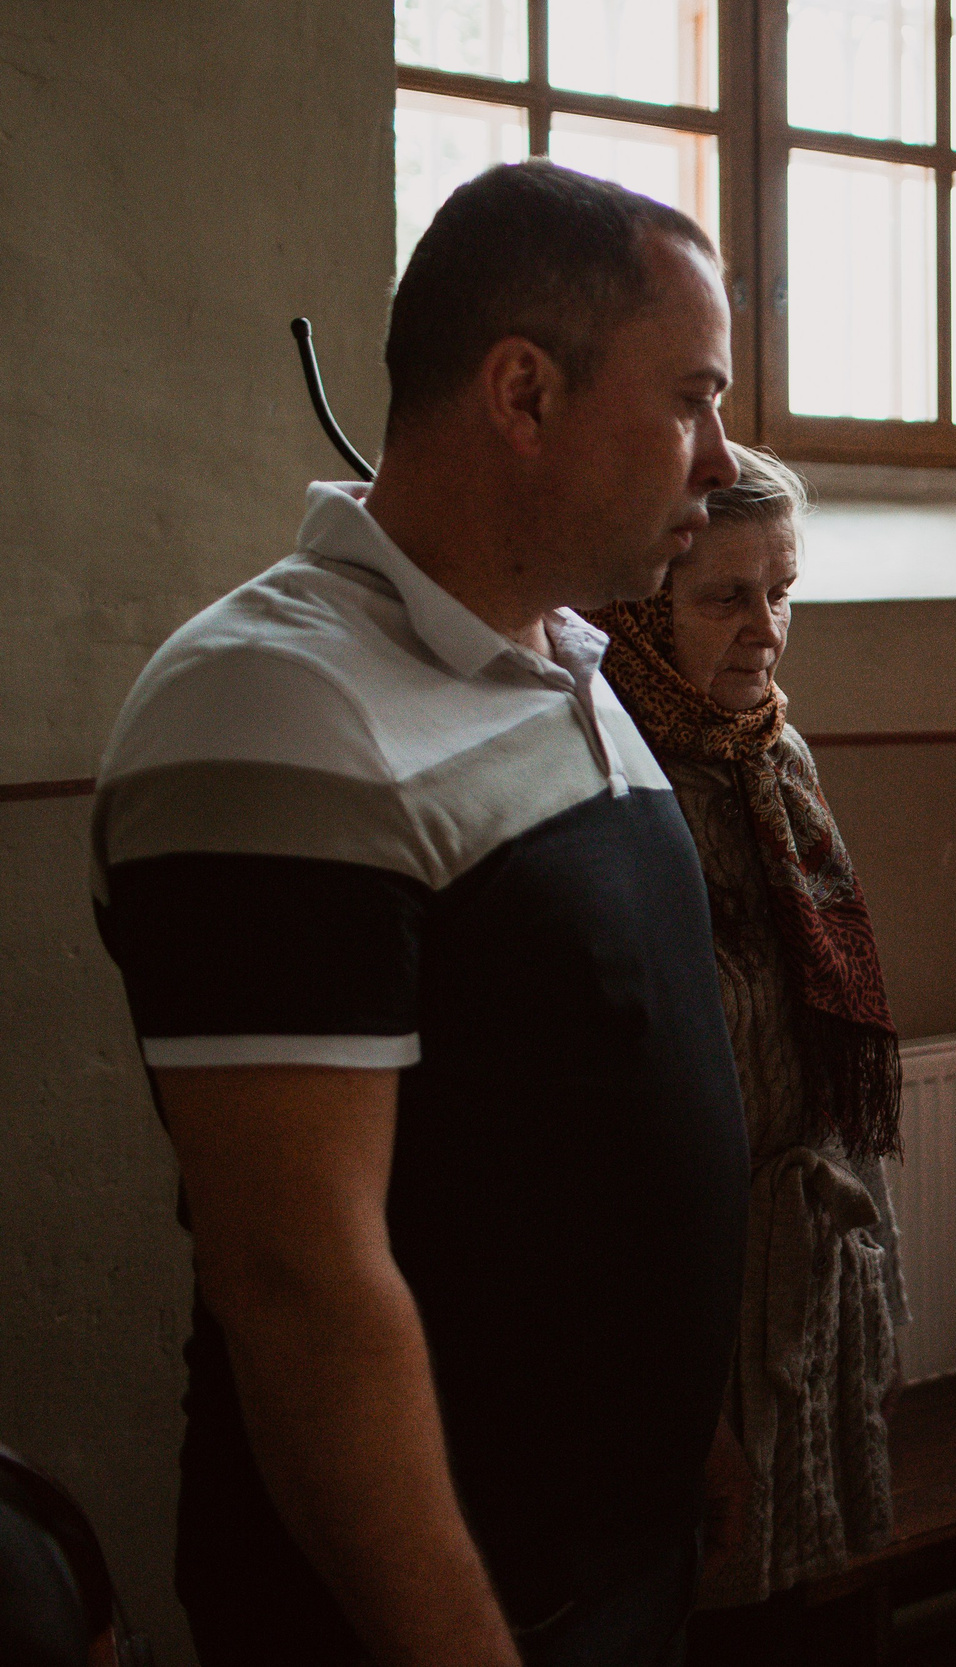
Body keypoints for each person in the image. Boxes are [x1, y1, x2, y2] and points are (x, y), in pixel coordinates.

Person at [89, 162, 750, 1666]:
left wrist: (683, 1410)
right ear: (523, 391)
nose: (720, 458)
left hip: (610, 1550)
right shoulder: (270, 701)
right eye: (691, 398)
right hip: (437, 1603)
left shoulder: (567, 662)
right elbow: (297, 1281)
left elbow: (612, 1058)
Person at [586, 446, 908, 1663]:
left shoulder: (777, 759)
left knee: (796, 1615)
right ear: (641, 603)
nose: (766, 630)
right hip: (681, 1284)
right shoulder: (609, 778)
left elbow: (832, 1056)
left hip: (800, 1255)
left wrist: (869, 1299)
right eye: (725, 597)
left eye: (783, 592)